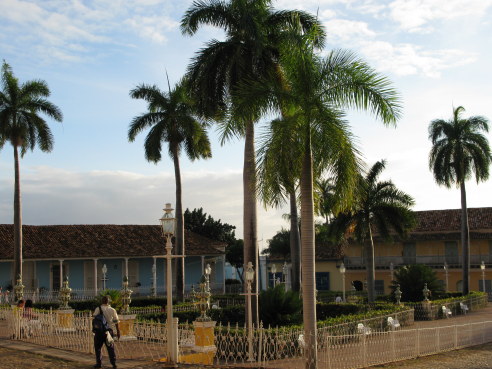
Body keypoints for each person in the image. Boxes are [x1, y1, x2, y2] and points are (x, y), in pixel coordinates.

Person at [93, 296, 120, 369]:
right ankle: (113, 363)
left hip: (99, 332)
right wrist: (118, 331)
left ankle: (99, 363)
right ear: (108, 301)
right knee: (110, 348)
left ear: (102, 301)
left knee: (98, 348)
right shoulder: (112, 310)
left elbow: (95, 319)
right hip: (109, 331)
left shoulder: (98, 309)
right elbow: (116, 322)